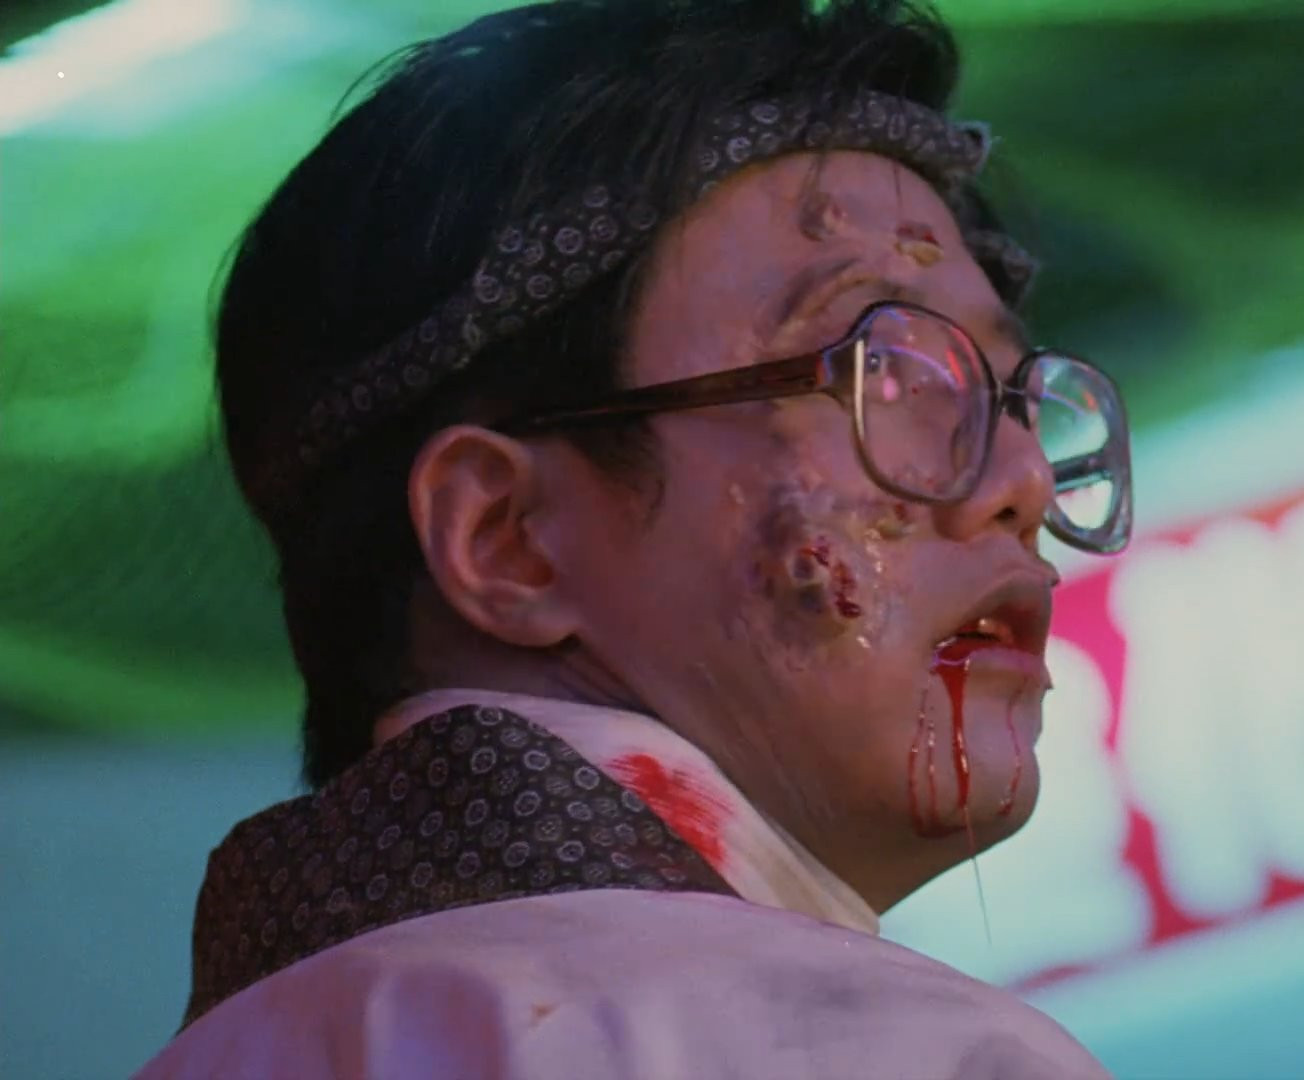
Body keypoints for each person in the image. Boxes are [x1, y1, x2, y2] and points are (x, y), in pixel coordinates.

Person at [135, 0, 1133, 1076]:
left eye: (1007, 395)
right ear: (508, 539)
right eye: (885, 368)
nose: (1023, 479)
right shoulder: (899, 1053)